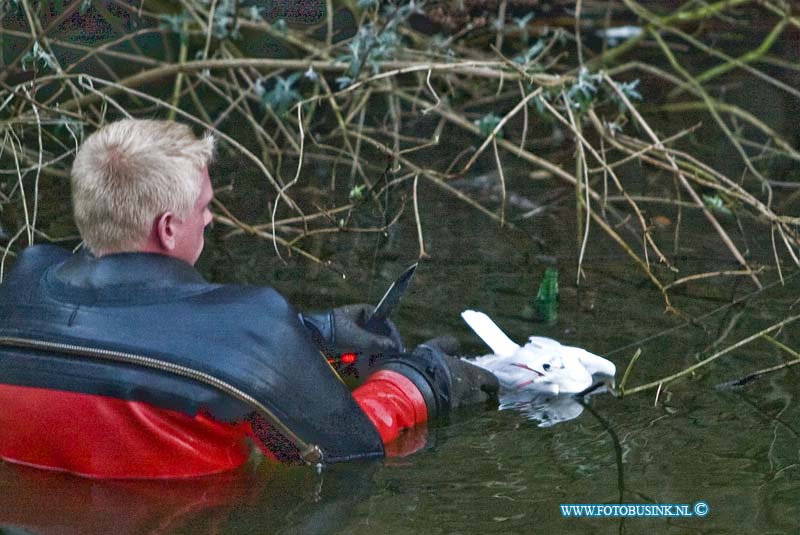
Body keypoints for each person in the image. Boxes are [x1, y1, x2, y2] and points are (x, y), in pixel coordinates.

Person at [0, 119, 498, 479]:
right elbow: (333, 450)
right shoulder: (248, 324)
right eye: (205, 207)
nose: (211, 219)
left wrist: (308, 335)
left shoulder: (21, 287)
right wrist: (416, 382)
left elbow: (141, 327)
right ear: (169, 229)